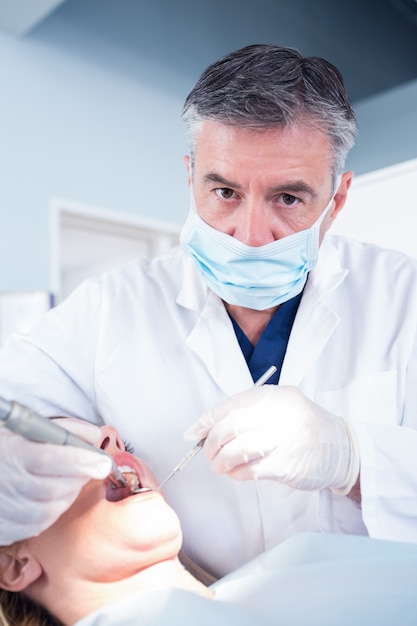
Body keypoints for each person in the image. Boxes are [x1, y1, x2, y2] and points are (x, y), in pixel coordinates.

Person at [0, 43, 417, 577]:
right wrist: (34, 452)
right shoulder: (111, 308)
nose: (248, 236)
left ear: (336, 200)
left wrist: (352, 458)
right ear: (190, 176)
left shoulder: (403, 297)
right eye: (223, 191)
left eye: (289, 199)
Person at [1, 424, 416, 626]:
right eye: (55, 451)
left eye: (123, 443)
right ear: (14, 566)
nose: (108, 437)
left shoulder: (306, 561)